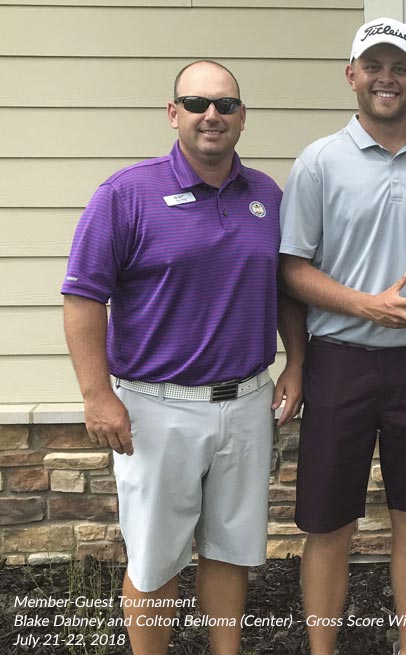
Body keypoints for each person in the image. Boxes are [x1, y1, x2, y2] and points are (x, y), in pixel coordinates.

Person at [62, 60, 305, 655]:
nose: (211, 116)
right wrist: (97, 395)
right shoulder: (125, 195)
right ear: (174, 114)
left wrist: (297, 364)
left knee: (230, 551)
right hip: (155, 409)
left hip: (246, 402)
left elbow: (286, 287)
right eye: (196, 104)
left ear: (243, 117)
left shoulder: (267, 197)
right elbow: (82, 295)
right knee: (155, 559)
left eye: (225, 105)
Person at [277, 17, 406, 655]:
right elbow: (291, 268)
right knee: (328, 518)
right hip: (340, 361)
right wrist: (366, 306)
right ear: (352, 76)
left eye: (399, 67)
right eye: (374, 67)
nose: (386, 79)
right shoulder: (318, 162)